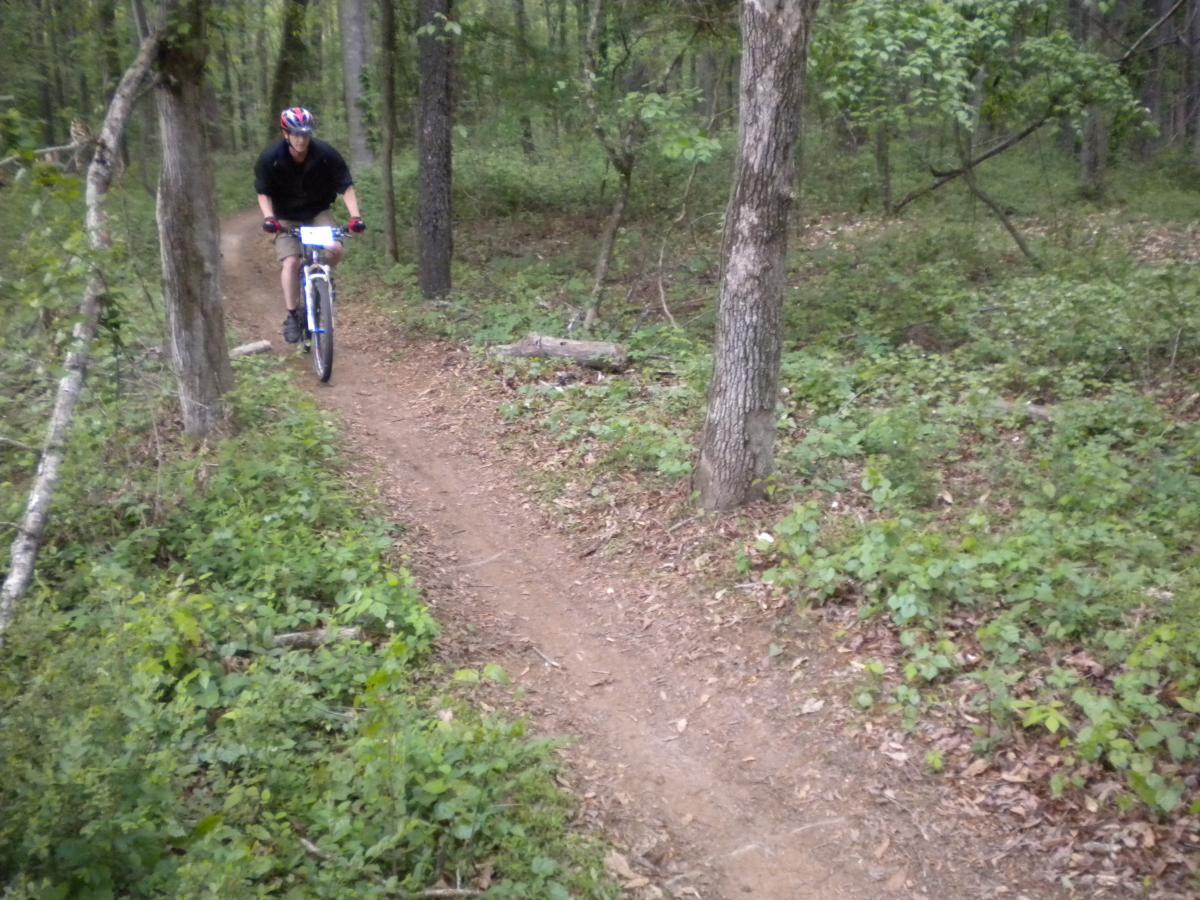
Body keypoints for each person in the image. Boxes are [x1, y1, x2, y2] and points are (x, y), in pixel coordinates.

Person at [255, 106, 366, 343]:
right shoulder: (271, 158)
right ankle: (293, 316)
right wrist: (269, 218)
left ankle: (323, 278)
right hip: (285, 216)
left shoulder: (325, 154)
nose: (301, 139)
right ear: (286, 134)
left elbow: (345, 185)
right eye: (295, 134)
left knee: (335, 249)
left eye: (305, 134)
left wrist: (355, 216)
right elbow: (263, 192)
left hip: (317, 212)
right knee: (292, 262)